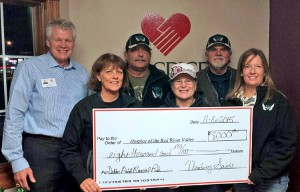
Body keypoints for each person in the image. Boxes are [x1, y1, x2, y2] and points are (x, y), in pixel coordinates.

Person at [1, 19, 89, 192]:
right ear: (48, 42)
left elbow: (90, 112)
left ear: (73, 43)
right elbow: (14, 115)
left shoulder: (82, 73)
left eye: (68, 40)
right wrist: (17, 160)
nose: (63, 45)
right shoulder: (29, 68)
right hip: (41, 151)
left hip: (74, 151)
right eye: (58, 39)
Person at [60, 53, 142, 192]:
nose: (115, 76)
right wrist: (82, 178)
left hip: (129, 184)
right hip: (95, 185)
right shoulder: (84, 108)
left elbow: (146, 145)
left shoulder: (135, 106)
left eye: (119, 72)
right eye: (109, 72)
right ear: (98, 76)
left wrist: (147, 176)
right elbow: (68, 148)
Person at [225, 48, 297, 192]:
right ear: (240, 71)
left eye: (258, 66)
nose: (252, 71)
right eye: (247, 66)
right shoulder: (230, 103)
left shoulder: (278, 101)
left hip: (271, 180)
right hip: (241, 179)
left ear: (264, 72)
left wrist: (259, 174)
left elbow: (287, 143)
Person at [158, 63, 222, 192]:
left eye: (188, 81)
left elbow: (219, 150)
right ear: (171, 85)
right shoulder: (158, 115)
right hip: (170, 186)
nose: (183, 85)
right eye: (178, 81)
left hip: (205, 186)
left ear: (196, 84)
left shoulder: (212, 114)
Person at [124, 33, 171, 107]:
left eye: (145, 50)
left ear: (150, 55)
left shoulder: (163, 80)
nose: (141, 54)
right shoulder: (116, 79)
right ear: (126, 55)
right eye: (135, 50)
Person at [196, 34, 236, 106]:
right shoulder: (196, 79)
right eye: (213, 50)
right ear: (206, 54)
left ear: (230, 54)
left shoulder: (240, 77)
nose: (218, 53)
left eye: (223, 49)